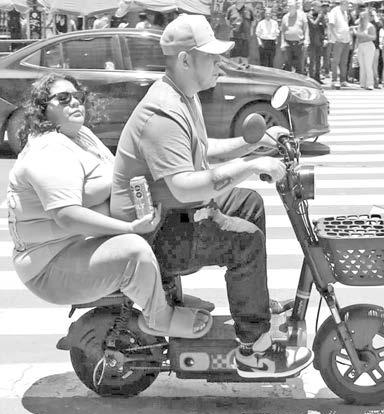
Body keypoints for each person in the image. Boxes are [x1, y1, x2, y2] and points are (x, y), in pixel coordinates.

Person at [110, 14, 314, 379]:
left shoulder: (182, 96)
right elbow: (185, 186)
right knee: (246, 241)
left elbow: (203, 150)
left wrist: (255, 144)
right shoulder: (163, 112)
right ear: (185, 60)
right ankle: (254, 350)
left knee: (248, 203)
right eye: (211, 57)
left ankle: (252, 304)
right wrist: (251, 165)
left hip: (174, 213)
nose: (220, 63)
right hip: (155, 233)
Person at [7, 73, 213, 340]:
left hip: (80, 244)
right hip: (51, 265)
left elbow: (117, 174)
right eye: (63, 98)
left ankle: (162, 294)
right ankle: (159, 318)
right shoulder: (48, 150)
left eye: (78, 96)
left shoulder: (80, 136)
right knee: (133, 249)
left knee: (165, 221)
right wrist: (129, 227)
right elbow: (67, 216)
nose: (75, 102)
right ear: (42, 108)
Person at [280, 0, 310, 73]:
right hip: (287, 44)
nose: (289, 7)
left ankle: (299, 79)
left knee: (299, 64)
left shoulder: (302, 15)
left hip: (299, 44)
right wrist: (282, 43)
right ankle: (288, 79)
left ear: (295, 7)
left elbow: (306, 28)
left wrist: (306, 40)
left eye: (291, 6)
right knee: (288, 64)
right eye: (288, 6)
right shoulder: (285, 17)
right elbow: (282, 31)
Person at [328, 0, 351, 88]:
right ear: (342, 4)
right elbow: (331, 25)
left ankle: (343, 80)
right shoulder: (334, 11)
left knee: (344, 62)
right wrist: (336, 37)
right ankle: (334, 80)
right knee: (336, 61)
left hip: (346, 40)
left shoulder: (345, 12)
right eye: (347, 5)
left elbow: (345, 26)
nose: (348, 7)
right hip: (338, 41)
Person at [226, 0, 255, 65]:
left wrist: (251, 31)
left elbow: (253, 21)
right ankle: (234, 71)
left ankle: (244, 70)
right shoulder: (230, 9)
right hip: (234, 37)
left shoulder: (249, 9)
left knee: (244, 57)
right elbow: (227, 21)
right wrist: (233, 28)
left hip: (245, 37)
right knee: (234, 57)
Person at [355, 7, 376, 90]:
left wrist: (365, 35)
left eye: (363, 16)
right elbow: (357, 38)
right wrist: (356, 47)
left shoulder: (370, 26)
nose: (362, 18)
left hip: (368, 46)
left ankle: (370, 84)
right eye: (361, 17)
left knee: (368, 65)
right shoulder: (359, 26)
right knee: (362, 65)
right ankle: (362, 83)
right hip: (361, 46)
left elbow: (374, 37)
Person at [308, 1, 328, 82]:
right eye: (319, 7)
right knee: (312, 60)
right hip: (312, 41)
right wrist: (319, 17)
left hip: (319, 41)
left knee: (318, 60)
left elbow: (325, 27)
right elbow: (314, 24)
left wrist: (325, 38)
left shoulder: (321, 15)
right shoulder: (310, 15)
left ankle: (317, 77)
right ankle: (311, 77)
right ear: (314, 7)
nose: (320, 8)